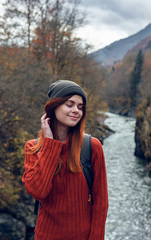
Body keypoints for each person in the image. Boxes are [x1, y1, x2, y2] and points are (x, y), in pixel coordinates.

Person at [22, 80, 108, 240]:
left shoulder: (92, 147)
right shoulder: (33, 148)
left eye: (80, 107)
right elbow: (38, 191)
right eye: (70, 104)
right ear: (54, 107)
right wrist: (49, 145)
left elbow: (100, 203)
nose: (76, 111)